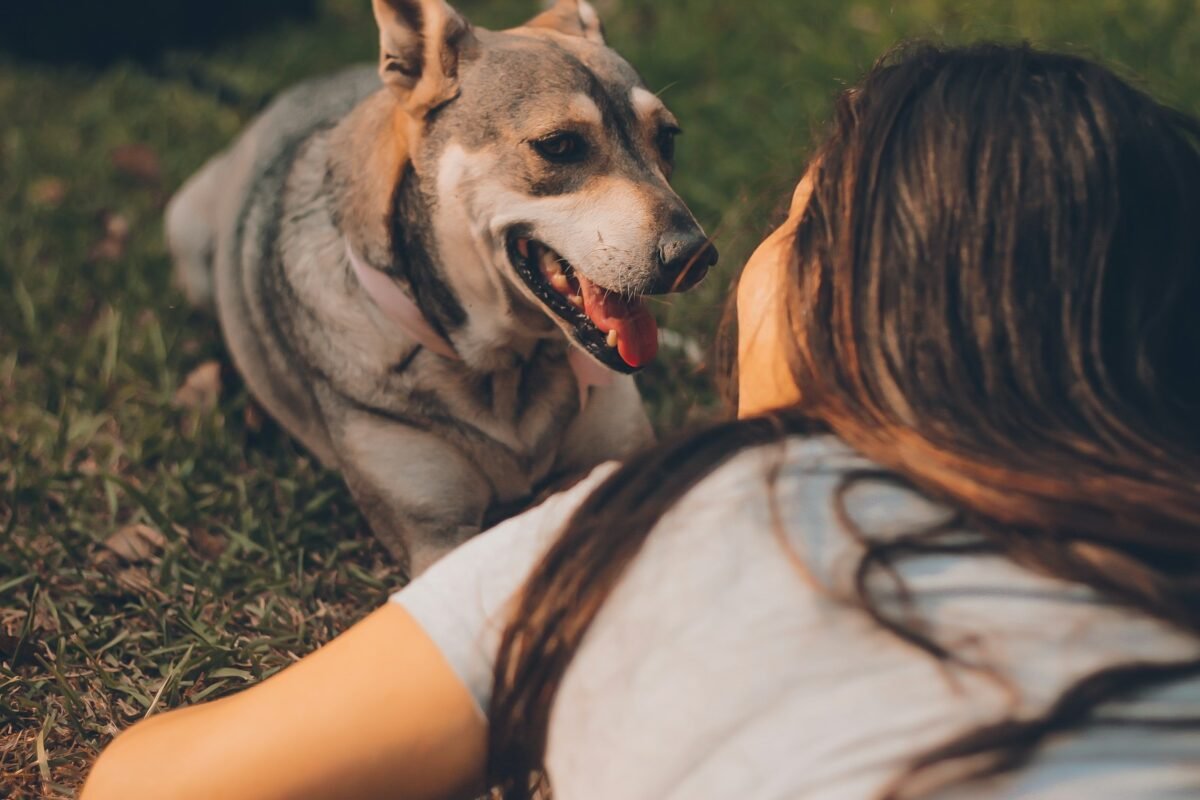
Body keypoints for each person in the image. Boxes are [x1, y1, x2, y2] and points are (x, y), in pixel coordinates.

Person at [81, 42, 1200, 800]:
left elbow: (149, 782)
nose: (708, 245)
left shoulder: (644, 528)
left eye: (798, 223)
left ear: (876, 310)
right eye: (568, 152)